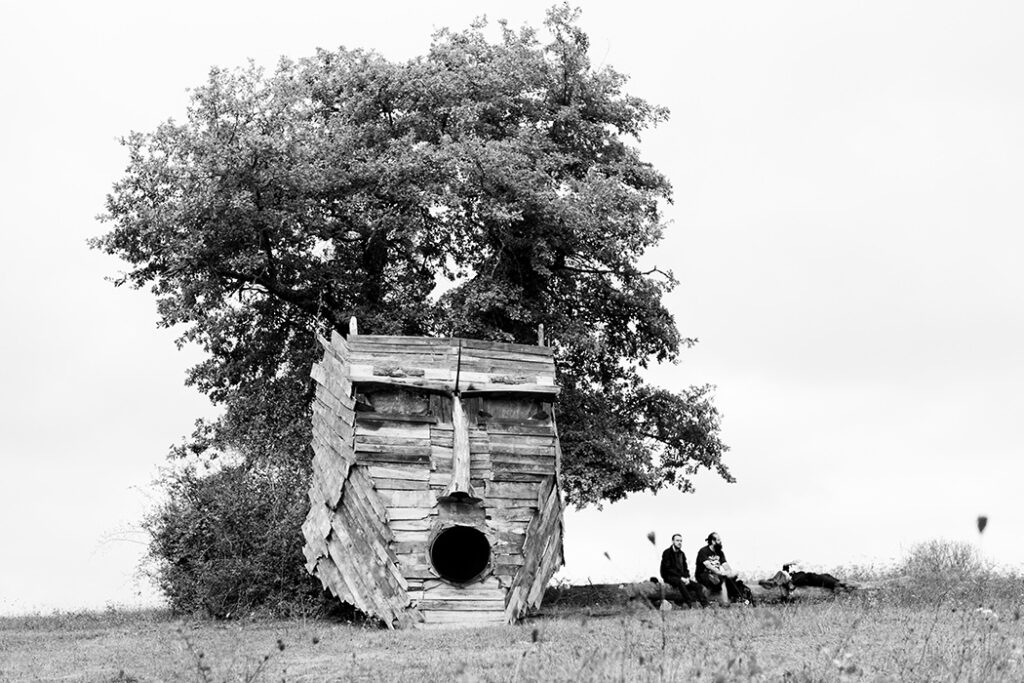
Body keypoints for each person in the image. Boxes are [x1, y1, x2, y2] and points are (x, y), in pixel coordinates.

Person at [695, 532, 754, 605]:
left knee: (731, 578)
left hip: (715, 575)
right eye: (718, 540)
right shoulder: (703, 551)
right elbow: (708, 565)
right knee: (722, 579)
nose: (721, 542)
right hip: (703, 575)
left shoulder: (720, 552)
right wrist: (721, 573)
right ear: (713, 541)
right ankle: (725, 602)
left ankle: (740, 599)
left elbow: (725, 565)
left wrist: (730, 572)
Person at [659, 533, 710, 607]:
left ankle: (705, 605)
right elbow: (668, 569)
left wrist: (687, 578)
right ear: (673, 541)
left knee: (698, 586)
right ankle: (690, 604)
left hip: (681, 577)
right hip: (669, 576)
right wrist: (680, 577)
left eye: (680, 541)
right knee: (680, 583)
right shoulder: (667, 552)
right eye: (677, 540)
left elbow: (685, 568)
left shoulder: (682, 554)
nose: (679, 542)